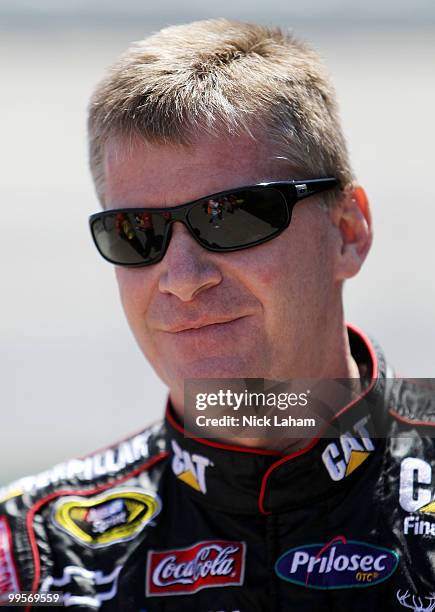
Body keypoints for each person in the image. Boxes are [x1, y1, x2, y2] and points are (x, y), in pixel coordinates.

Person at [0, 18, 434, 612]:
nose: (181, 279)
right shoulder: (30, 554)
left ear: (347, 231)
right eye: (138, 233)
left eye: (231, 217)